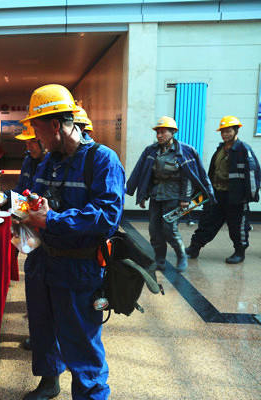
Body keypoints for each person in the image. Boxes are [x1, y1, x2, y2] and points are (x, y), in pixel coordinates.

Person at [18, 84, 125, 400]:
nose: (37, 138)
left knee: (81, 341)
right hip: (43, 262)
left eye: (38, 130)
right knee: (43, 328)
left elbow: (107, 216)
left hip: (79, 266)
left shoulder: (102, 160)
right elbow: (37, 200)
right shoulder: (49, 160)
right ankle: (49, 381)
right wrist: (22, 211)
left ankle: (90, 394)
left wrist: (51, 219)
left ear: (55, 125)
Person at [126, 116, 214, 273]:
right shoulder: (151, 150)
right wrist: (143, 195)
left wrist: (185, 198)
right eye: (158, 132)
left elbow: (188, 177)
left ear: (173, 132)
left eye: (163, 132)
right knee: (154, 230)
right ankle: (160, 260)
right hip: (156, 196)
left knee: (169, 230)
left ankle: (181, 256)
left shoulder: (184, 151)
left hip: (174, 197)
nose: (159, 135)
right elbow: (146, 174)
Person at [185, 115, 260, 263]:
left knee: (237, 226)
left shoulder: (243, 149)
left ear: (236, 131)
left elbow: (253, 173)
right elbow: (212, 172)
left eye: (228, 131)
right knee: (207, 222)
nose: (225, 134)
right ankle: (194, 248)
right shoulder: (220, 149)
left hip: (235, 197)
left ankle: (239, 252)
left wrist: (250, 196)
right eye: (223, 131)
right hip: (217, 194)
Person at [13, 122, 45, 194]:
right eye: (27, 142)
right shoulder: (28, 160)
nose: (29, 148)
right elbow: (19, 189)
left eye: (33, 142)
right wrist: (2, 196)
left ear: (44, 141)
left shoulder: (52, 164)